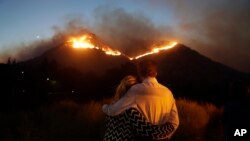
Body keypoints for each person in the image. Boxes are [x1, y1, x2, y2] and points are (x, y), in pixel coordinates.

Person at [102, 59, 179, 139]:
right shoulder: (168, 93)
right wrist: (164, 136)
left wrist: (104, 107)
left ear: (139, 73)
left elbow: (114, 111)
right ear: (156, 73)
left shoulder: (136, 90)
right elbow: (174, 122)